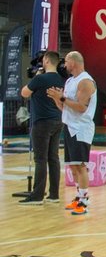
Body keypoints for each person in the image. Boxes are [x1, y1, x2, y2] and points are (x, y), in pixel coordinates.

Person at [47, 51, 97, 215]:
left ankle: (84, 201)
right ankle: (78, 197)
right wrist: (56, 98)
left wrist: (61, 98)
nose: (64, 65)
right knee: (73, 166)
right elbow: (65, 107)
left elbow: (82, 107)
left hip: (81, 129)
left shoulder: (85, 81)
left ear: (74, 62)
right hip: (69, 126)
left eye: (66, 61)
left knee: (81, 166)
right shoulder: (69, 81)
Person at [18, 50, 64, 205]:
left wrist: (37, 77)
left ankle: (37, 195)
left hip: (42, 122)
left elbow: (24, 93)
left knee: (40, 159)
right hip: (58, 121)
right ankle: (54, 194)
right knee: (53, 158)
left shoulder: (40, 78)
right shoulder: (61, 79)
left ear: (46, 60)